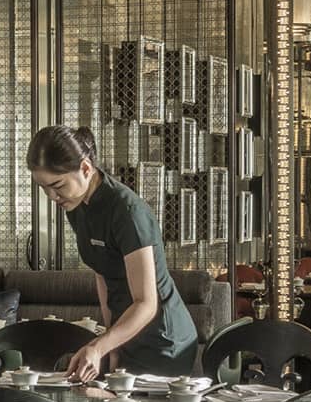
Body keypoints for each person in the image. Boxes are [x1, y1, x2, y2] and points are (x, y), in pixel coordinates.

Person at [27, 125, 198, 381]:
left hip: (163, 340)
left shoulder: (127, 212)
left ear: (85, 168)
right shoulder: (76, 207)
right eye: (43, 188)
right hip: (125, 335)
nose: (52, 196)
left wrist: (98, 347)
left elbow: (146, 303)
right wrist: (112, 345)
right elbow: (102, 275)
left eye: (57, 185)